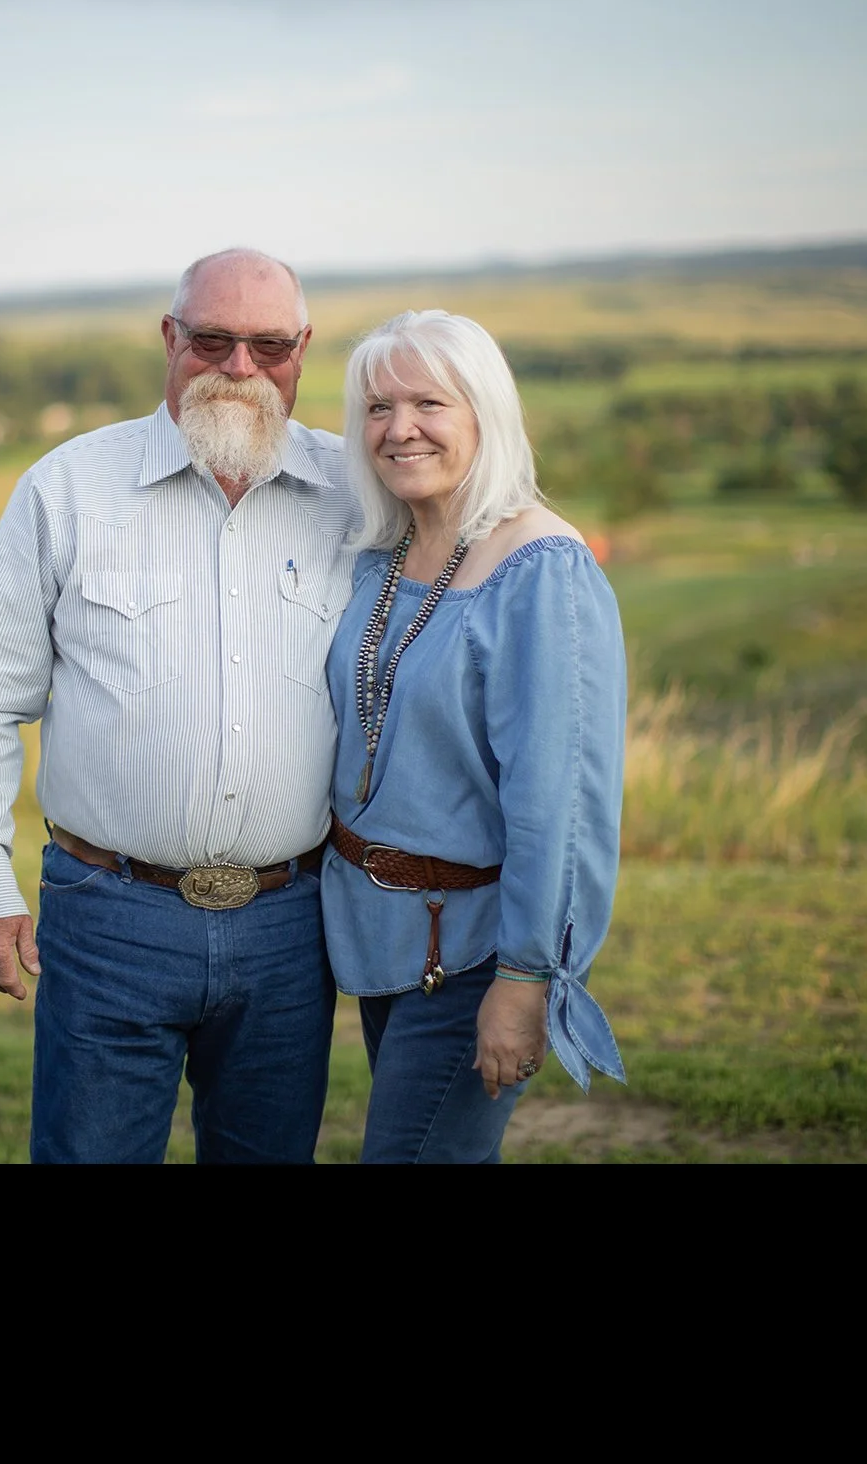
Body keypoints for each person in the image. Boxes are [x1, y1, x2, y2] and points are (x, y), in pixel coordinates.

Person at [0, 248, 358, 1163]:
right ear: (169, 337)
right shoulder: (68, 487)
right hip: (108, 914)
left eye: (269, 344)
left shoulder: (360, 496)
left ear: (303, 350)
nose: (241, 367)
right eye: (213, 339)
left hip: (292, 924)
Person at [322, 309, 628, 1163]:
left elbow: (558, 802)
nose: (399, 428)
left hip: (471, 961)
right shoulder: (383, 555)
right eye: (378, 408)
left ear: (485, 414)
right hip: (383, 945)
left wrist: (526, 978)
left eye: (429, 403)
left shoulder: (540, 570)